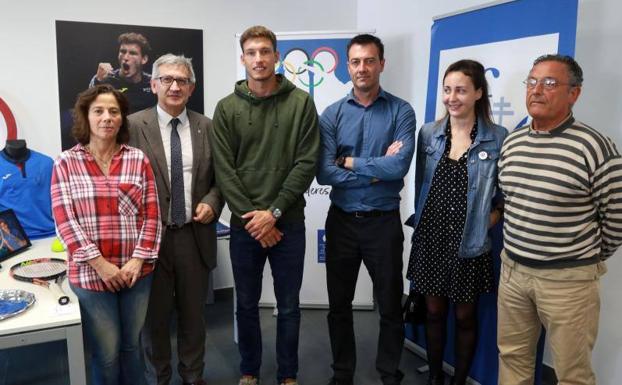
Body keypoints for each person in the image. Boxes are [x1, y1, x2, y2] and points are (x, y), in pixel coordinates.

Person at [497, 54, 622, 385]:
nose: (537, 90)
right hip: (513, 274)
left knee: (572, 373)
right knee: (512, 358)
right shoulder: (512, 142)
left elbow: (616, 218)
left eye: (550, 83)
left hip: (568, 281)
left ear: (574, 94)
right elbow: (511, 203)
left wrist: (581, 259)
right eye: (532, 81)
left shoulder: (594, 146)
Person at [210, 25, 319, 385]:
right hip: (244, 227)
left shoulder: (301, 102)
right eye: (251, 53)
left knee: (288, 307)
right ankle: (249, 370)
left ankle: (288, 374)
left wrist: (272, 215)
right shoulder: (226, 109)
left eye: (265, 52)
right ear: (243, 59)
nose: (259, 59)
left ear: (276, 57)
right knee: (245, 305)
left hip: (287, 223)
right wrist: (255, 220)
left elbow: (306, 163)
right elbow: (225, 171)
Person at [316, 34, 416, 385]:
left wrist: (351, 162)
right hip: (342, 222)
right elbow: (325, 171)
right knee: (338, 306)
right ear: (348, 66)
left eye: (369, 61)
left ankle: (389, 373)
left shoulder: (401, 111)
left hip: (383, 224)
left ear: (381, 64)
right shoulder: (332, 114)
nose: (362, 68)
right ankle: (342, 373)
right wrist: (375, 173)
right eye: (356, 62)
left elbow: (399, 167)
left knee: (389, 305)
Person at [51, 84, 161, 385]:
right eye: (98, 111)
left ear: (121, 118)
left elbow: (152, 215)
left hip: (136, 274)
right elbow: (65, 222)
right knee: (107, 352)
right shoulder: (65, 163)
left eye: (114, 111)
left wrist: (138, 261)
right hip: (91, 276)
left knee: (131, 346)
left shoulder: (137, 160)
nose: (107, 117)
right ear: (85, 116)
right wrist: (101, 265)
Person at [405, 60, 507, 385]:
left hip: (469, 244)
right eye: (447, 90)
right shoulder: (429, 134)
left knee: (465, 317)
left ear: (478, 92)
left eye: (461, 90)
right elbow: (423, 184)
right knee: (434, 313)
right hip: (431, 239)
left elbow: (505, 196)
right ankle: (436, 377)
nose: (452, 97)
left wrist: (485, 222)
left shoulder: (497, 138)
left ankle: (459, 380)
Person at [128, 53, 222, 385]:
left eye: (182, 80)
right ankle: (158, 377)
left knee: (194, 316)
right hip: (149, 239)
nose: (174, 86)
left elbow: (220, 179)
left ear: (191, 87)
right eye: (166, 79)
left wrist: (212, 202)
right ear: (153, 85)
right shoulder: (131, 125)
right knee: (153, 319)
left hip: (193, 236)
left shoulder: (207, 126)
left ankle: (193, 376)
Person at [90, 32, 156, 113]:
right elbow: (90, 106)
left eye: (132, 53)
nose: (125, 57)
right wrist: (98, 80)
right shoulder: (106, 80)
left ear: (144, 59)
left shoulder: (152, 83)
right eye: (123, 52)